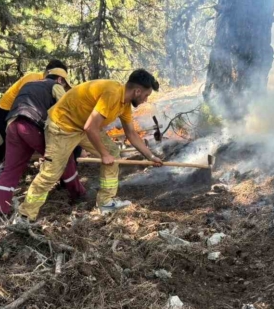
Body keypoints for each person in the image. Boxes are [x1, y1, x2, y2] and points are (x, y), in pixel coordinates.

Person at [13, 69, 163, 228]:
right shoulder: (112, 93)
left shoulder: (124, 104)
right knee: (51, 172)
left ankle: (106, 202)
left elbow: (131, 134)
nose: (145, 99)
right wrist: (103, 154)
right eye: (146, 95)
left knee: (113, 151)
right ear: (137, 91)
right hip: (62, 127)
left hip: (81, 127)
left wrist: (150, 157)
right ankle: (25, 215)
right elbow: (91, 127)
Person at [0, 69, 86, 215]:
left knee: (11, 169)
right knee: (64, 157)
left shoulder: (31, 84)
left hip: (13, 124)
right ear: (60, 80)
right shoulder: (55, 85)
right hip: (32, 124)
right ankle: (78, 194)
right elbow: (67, 108)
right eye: (65, 85)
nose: (65, 88)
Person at [0, 59, 69, 200]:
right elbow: (28, 101)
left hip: (21, 114)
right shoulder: (34, 78)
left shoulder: (47, 82)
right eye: (62, 81)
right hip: (8, 111)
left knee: (9, 152)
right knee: (7, 153)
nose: (62, 85)